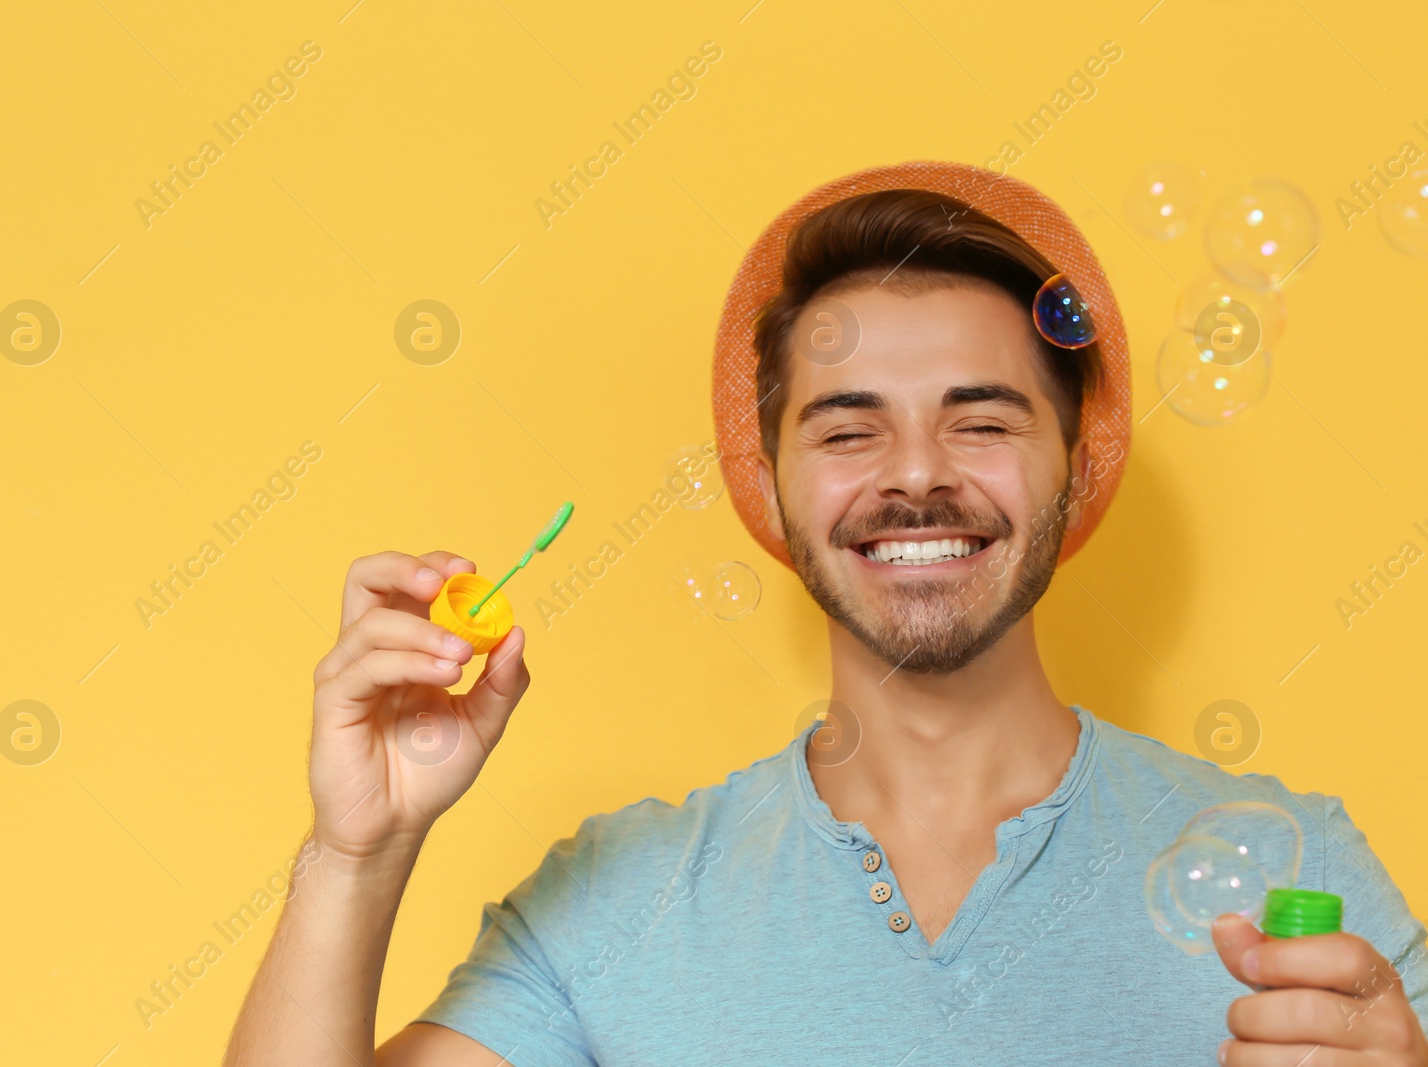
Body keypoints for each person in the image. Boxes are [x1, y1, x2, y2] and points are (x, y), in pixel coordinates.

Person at [224, 164, 1428, 1066]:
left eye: (984, 418)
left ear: (1078, 459)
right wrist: (357, 852)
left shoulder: (1296, 874)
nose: (914, 474)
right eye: (848, 427)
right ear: (771, 482)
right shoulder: (619, 898)